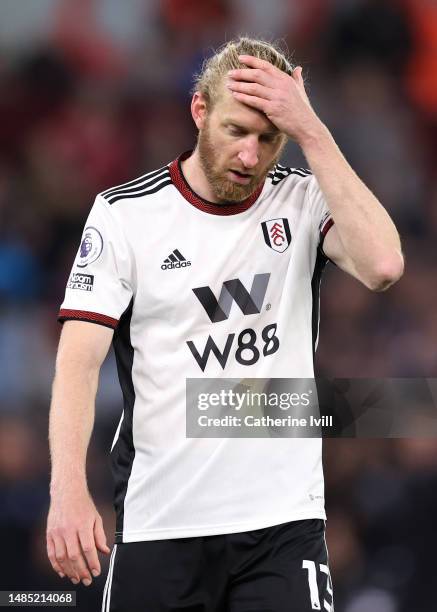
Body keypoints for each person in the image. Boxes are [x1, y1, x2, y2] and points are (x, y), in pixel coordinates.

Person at [46, 37, 404, 612]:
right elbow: (77, 362)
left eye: (269, 138)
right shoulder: (125, 215)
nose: (249, 155)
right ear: (199, 110)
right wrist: (67, 490)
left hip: (282, 523)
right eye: (236, 131)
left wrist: (312, 129)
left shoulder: (303, 200)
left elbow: (384, 265)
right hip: (162, 519)